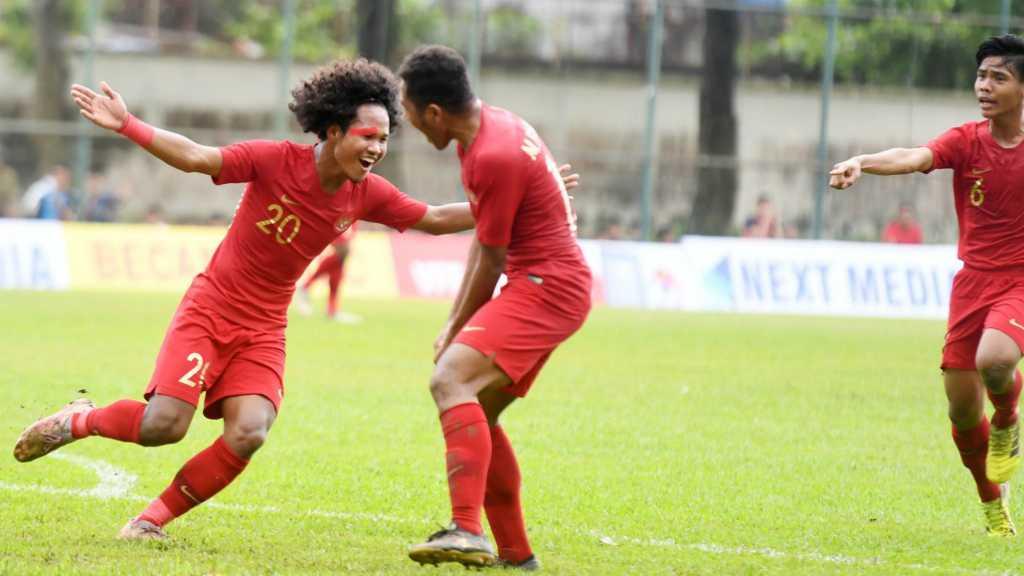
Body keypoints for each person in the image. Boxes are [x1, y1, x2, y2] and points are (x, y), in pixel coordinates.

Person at [12, 59, 482, 540]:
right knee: (164, 426)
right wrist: (129, 124)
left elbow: (436, 218)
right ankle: (79, 420)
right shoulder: (275, 159)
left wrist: (510, 199)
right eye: (368, 137)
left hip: (263, 330)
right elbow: (197, 156)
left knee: (250, 431)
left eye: (384, 140)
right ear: (336, 131)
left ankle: (149, 521)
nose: (377, 149)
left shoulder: (366, 193)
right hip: (210, 309)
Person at [399, 45, 591, 569]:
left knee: (448, 381)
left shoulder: (491, 154)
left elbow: (491, 257)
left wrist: (455, 327)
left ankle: (465, 531)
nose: (411, 125)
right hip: (548, 284)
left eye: (411, 114)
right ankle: (516, 555)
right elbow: (487, 238)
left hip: (546, 286)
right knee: (478, 409)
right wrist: (453, 324)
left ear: (433, 111)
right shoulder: (490, 131)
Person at [829, 34, 1024, 537]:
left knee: (996, 361)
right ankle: (991, 504)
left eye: (998, 77)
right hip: (972, 284)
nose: (984, 85)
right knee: (961, 411)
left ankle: (1008, 417)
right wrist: (862, 162)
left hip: (1020, 281)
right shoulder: (966, 139)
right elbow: (915, 156)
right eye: (981, 76)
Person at [294, 222, 361, 323]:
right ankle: (306, 286)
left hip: (351, 217)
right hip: (339, 216)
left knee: (341, 259)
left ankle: (332, 309)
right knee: (342, 251)